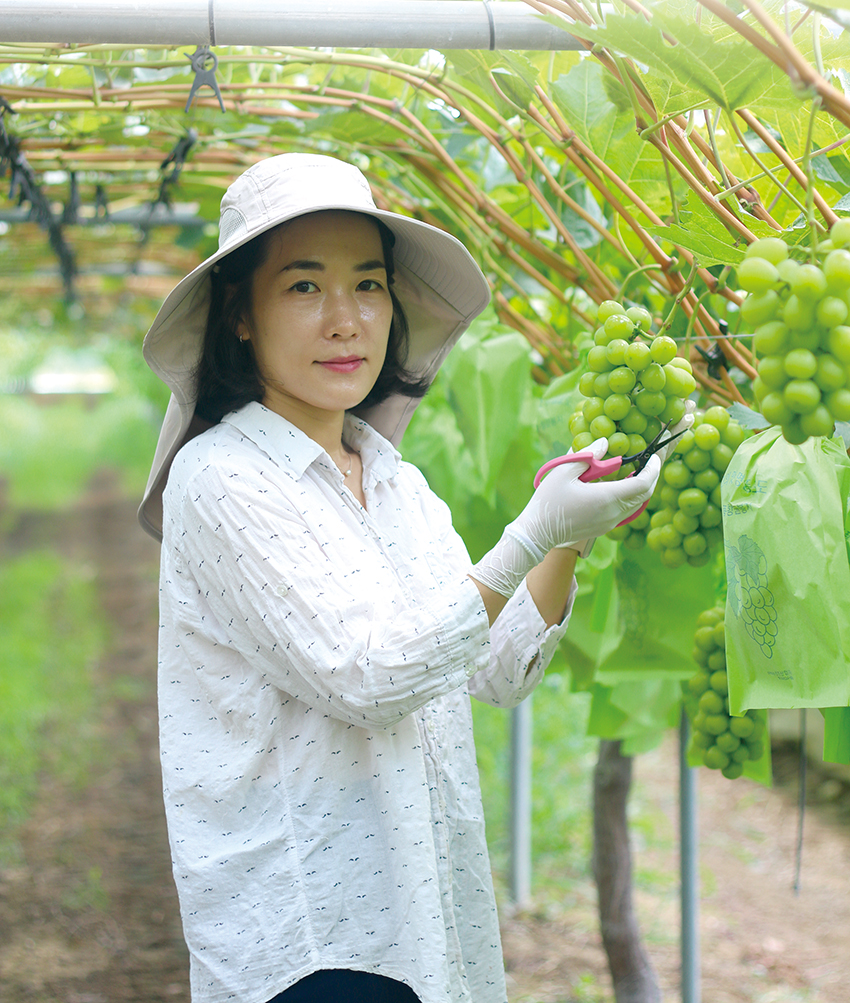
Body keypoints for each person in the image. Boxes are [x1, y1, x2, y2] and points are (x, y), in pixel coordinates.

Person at [138, 153, 675, 1003]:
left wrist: (573, 539)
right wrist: (532, 530)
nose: (346, 320)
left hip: (423, 918)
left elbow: (490, 667)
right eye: (304, 287)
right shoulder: (221, 479)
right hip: (311, 936)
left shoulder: (393, 480)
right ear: (240, 313)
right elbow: (371, 674)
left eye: (369, 286)